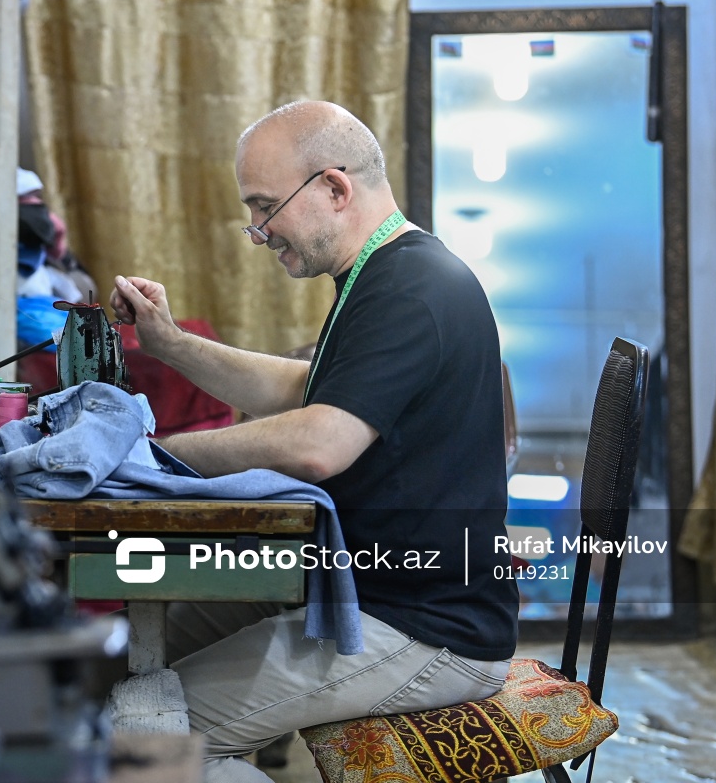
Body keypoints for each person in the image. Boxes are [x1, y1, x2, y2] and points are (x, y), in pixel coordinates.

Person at [109, 101, 519, 783]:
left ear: (334, 187)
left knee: (137, 738)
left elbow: (319, 443)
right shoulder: (380, 273)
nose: (258, 232)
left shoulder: (412, 288)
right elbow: (306, 387)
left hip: (423, 626)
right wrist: (171, 344)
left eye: (265, 207)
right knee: (129, 659)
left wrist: (149, 455)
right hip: (353, 585)